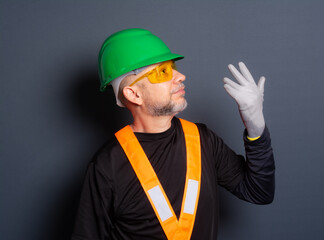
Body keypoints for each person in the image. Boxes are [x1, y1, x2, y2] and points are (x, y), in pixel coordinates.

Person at [71, 28, 275, 240]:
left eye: (173, 67)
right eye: (163, 72)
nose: (180, 76)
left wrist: (255, 125)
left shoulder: (203, 140)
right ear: (133, 93)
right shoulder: (107, 165)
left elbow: (259, 192)